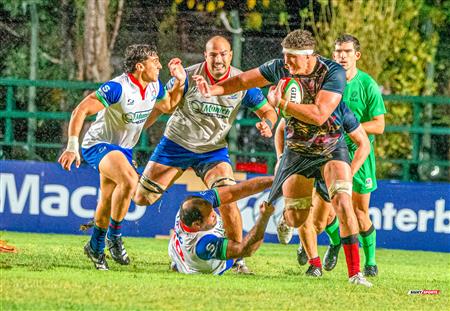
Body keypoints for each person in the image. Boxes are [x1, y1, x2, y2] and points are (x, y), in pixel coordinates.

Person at [193, 29, 372, 287]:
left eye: (292, 59)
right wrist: (214, 90)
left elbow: (321, 113)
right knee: (298, 218)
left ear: (308, 56)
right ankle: (286, 219)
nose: (286, 63)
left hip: (330, 148)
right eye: (284, 57)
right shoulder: (280, 67)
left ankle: (356, 274)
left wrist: (283, 106)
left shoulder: (332, 72)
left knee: (343, 202)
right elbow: (244, 80)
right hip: (297, 150)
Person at [133, 36, 278, 274]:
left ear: (230, 55)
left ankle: (238, 261)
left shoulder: (242, 81)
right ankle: (181, 238)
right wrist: (135, 132)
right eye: (213, 55)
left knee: (229, 198)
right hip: (176, 144)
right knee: (142, 199)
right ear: (205, 55)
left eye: (223, 54)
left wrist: (268, 124)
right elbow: (163, 106)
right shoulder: (187, 76)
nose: (218, 59)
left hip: (212, 151)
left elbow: (268, 111)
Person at [58, 44, 186, 270]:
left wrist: (180, 81)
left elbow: (169, 106)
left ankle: (95, 247)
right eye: (154, 61)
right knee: (129, 180)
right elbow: (81, 110)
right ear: (140, 66)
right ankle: (114, 237)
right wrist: (71, 146)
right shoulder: (118, 87)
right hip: (98, 145)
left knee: (107, 200)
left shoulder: (155, 85)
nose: (158, 65)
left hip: (123, 150)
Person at [300, 34, 385, 276]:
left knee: (359, 213)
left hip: (359, 154)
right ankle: (334, 243)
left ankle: (370, 263)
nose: (341, 56)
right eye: (338, 51)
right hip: (328, 153)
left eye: (347, 52)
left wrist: (350, 129)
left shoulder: (367, 84)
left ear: (356, 55)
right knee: (324, 216)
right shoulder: (325, 81)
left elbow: (379, 125)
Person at [274, 103, 370, 277]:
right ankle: (315, 264)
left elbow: (364, 144)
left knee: (320, 223)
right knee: (301, 216)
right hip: (301, 162)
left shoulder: (339, 107)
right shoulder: (300, 101)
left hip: (330, 164)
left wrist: (349, 172)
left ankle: (342, 255)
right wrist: (280, 157)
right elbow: (280, 129)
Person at [169, 176, 274, 275]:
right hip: (214, 264)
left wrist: (274, 180)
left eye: (213, 210)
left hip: (176, 252)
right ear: (197, 224)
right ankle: (238, 262)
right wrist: (264, 217)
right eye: (211, 216)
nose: (215, 214)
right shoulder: (202, 244)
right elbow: (245, 250)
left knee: (227, 198)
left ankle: (178, 264)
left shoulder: (190, 208)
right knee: (229, 206)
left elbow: (237, 190)